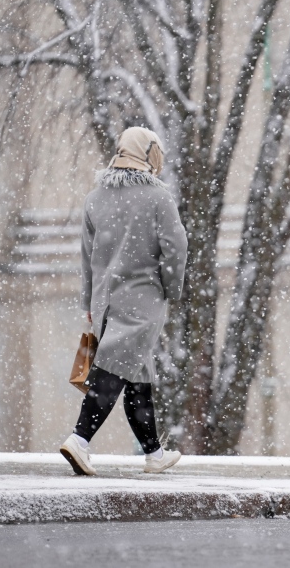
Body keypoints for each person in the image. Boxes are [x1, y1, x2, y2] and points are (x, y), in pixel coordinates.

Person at [60, 127, 188, 475]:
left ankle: (153, 453)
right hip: (142, 301)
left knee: (137, 374)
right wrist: (170, 287)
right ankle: (80, 440)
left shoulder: (95, 198)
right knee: (113, 372)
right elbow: (177, 246)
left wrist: (89, 300)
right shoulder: (157, 197)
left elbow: (86, 257)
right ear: (148, 155)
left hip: (106, 302)